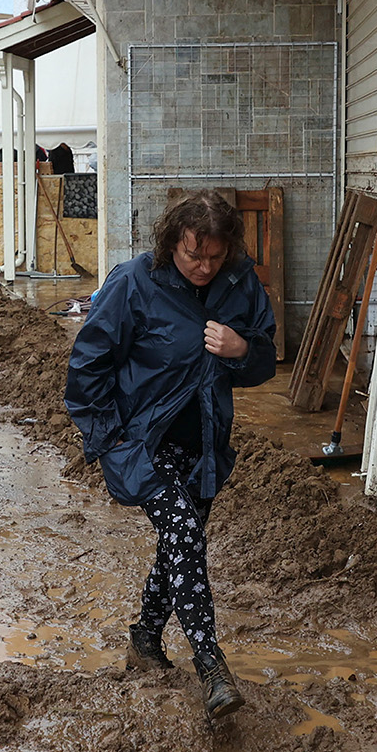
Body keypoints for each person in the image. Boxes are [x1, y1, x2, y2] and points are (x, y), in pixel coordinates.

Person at [65, 191, 277, 719]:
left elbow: (267, 360)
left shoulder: (239, 284)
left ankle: (144, 639)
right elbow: (86, 369)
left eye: (214, 257)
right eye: (192, 256)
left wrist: (242, 350)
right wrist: (109, 439)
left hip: (204, 443)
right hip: (141, 443)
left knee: (178, 545)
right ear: (171, 244)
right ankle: (211, 666)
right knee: (183, 531)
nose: (204, 267)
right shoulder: (134, 283)